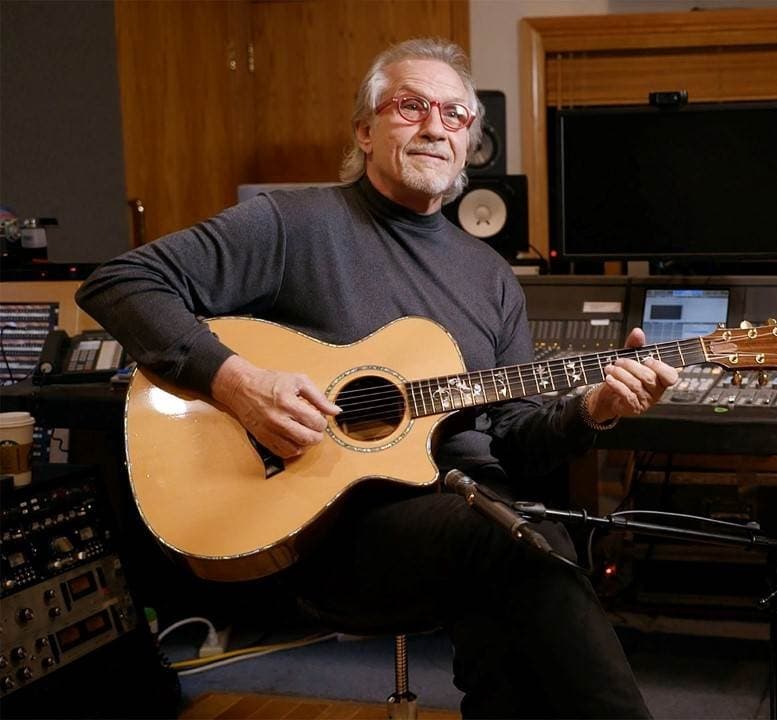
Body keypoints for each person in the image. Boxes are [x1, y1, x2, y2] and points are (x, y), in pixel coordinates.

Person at [77, 37, 677, 718]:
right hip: (327, 529)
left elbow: (515, 439)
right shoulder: (293, 225)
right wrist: (238, 383)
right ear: (365, 130)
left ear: (468, 144)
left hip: (468, 518)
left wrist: (593, 408)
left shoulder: (491, 278)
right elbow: (120, 282)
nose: (435, 127)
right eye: (411, 106)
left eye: (455, 115)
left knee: (516, 587)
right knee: (521, 544)